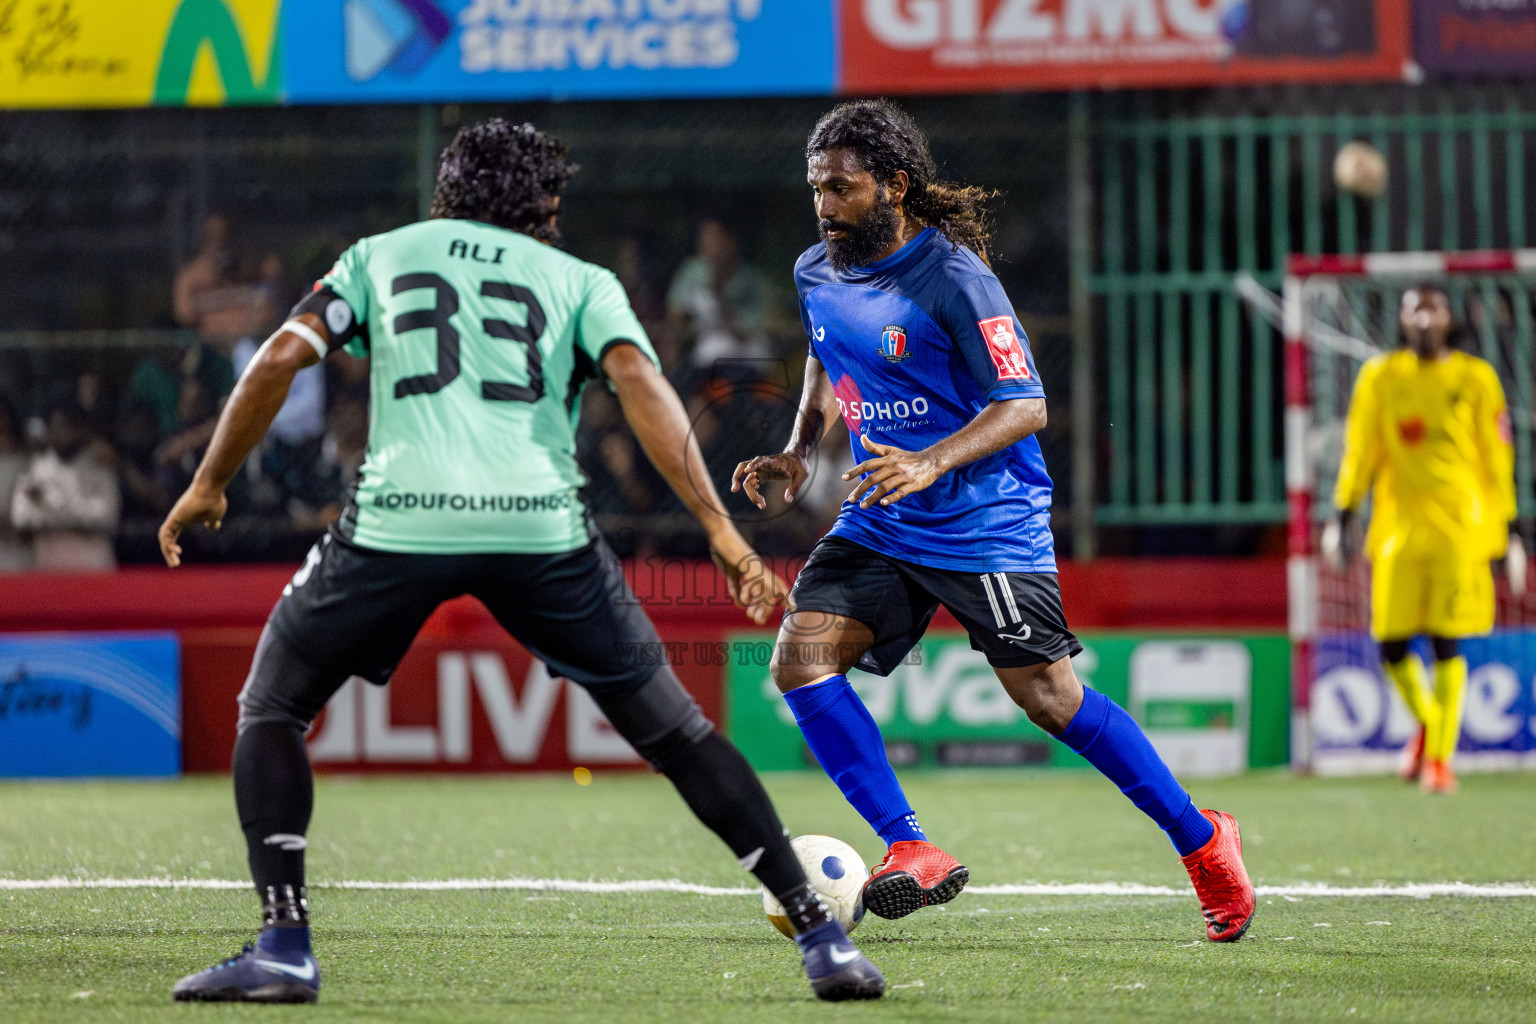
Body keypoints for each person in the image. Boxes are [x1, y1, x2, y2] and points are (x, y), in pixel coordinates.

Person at [157, 119, 884, 1005]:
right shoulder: (579, 281)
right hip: (541, 531)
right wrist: (721, 532)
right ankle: (822, 937)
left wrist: (208, 482)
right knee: (680, 734)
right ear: (543, 202)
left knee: (272, 704)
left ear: (448, 189)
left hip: (398, 525)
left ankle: (283, 943)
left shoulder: (379, 256)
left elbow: (278, 357)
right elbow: (647, 393)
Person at [731, 100, 1254, 940]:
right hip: (884, 516)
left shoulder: (956, 277)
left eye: (843, 188)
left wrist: (932, 460)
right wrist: (798, 448)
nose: (824, 205)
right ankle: (913, 849)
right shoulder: (815, 270)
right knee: (801, 657)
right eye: (816, 188)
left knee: (1049, 698)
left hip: (985, 517)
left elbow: (1027, 404)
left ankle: (1203, 841)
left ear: (894, 185)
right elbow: (827, 354)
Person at [1325, 284, 1523, 795]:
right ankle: (1433, 729)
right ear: (1403, 318)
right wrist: (1343, 511)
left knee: (1445, 641)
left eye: (1434, 307)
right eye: (1415, 308)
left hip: (1461, 528)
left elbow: (1496, 458)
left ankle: (1439, 760)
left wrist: (1511, 527)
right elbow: (1362, 446)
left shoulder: (1475, 378)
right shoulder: (1381, 377)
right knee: (1390, 645)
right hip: (1397, 530)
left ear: (1448, 316)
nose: (1425, 317)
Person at [11, 392, 121, 571]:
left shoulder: (100, 465)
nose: (65, 433)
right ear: (49, 429)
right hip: (49, 564)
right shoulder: (36, 468)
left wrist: (48, 503)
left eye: (71, 426)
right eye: (59, 426)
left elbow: (106, 517)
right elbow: (23, 517)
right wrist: (75, 513)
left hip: (91, 563)